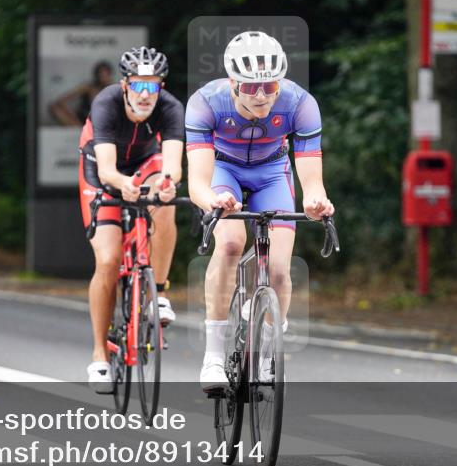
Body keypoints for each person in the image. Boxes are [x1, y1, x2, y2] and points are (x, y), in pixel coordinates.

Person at [186, 31, 334, 390]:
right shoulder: (206, 102)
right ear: (233, 83)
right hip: (224, 170)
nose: (262, 95)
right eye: (251, 88)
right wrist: (213, 202)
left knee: (281, 270)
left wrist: (316, 200)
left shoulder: (300, 103)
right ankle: (214, 357)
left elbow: (312, 178)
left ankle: (268, 350)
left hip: (272, 173)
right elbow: (197, 184)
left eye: (270, 86)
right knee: (232, 243)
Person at [79, 47, 185, 392]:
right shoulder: (105, 104)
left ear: (161, 87)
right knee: (108, 260)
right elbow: (108, 170)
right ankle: (99, 354)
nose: (144, 95)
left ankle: (159, 291)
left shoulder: (171, 109)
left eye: (152, 87)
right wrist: (125, 185)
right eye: (138, 86)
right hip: (103, 169)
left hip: (145, 163)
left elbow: (172, 166)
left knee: (164, 201)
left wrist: (167, 185)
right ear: (124, 85)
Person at [49, 61, 115, 126]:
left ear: (110, 75)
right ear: (97, 75)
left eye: (106, 75)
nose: (103, 78)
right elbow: (62, 100)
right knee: (54, 107)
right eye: (101, 75)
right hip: (81, 121)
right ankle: (78, 128)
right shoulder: (89, 87)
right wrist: (72, 117)